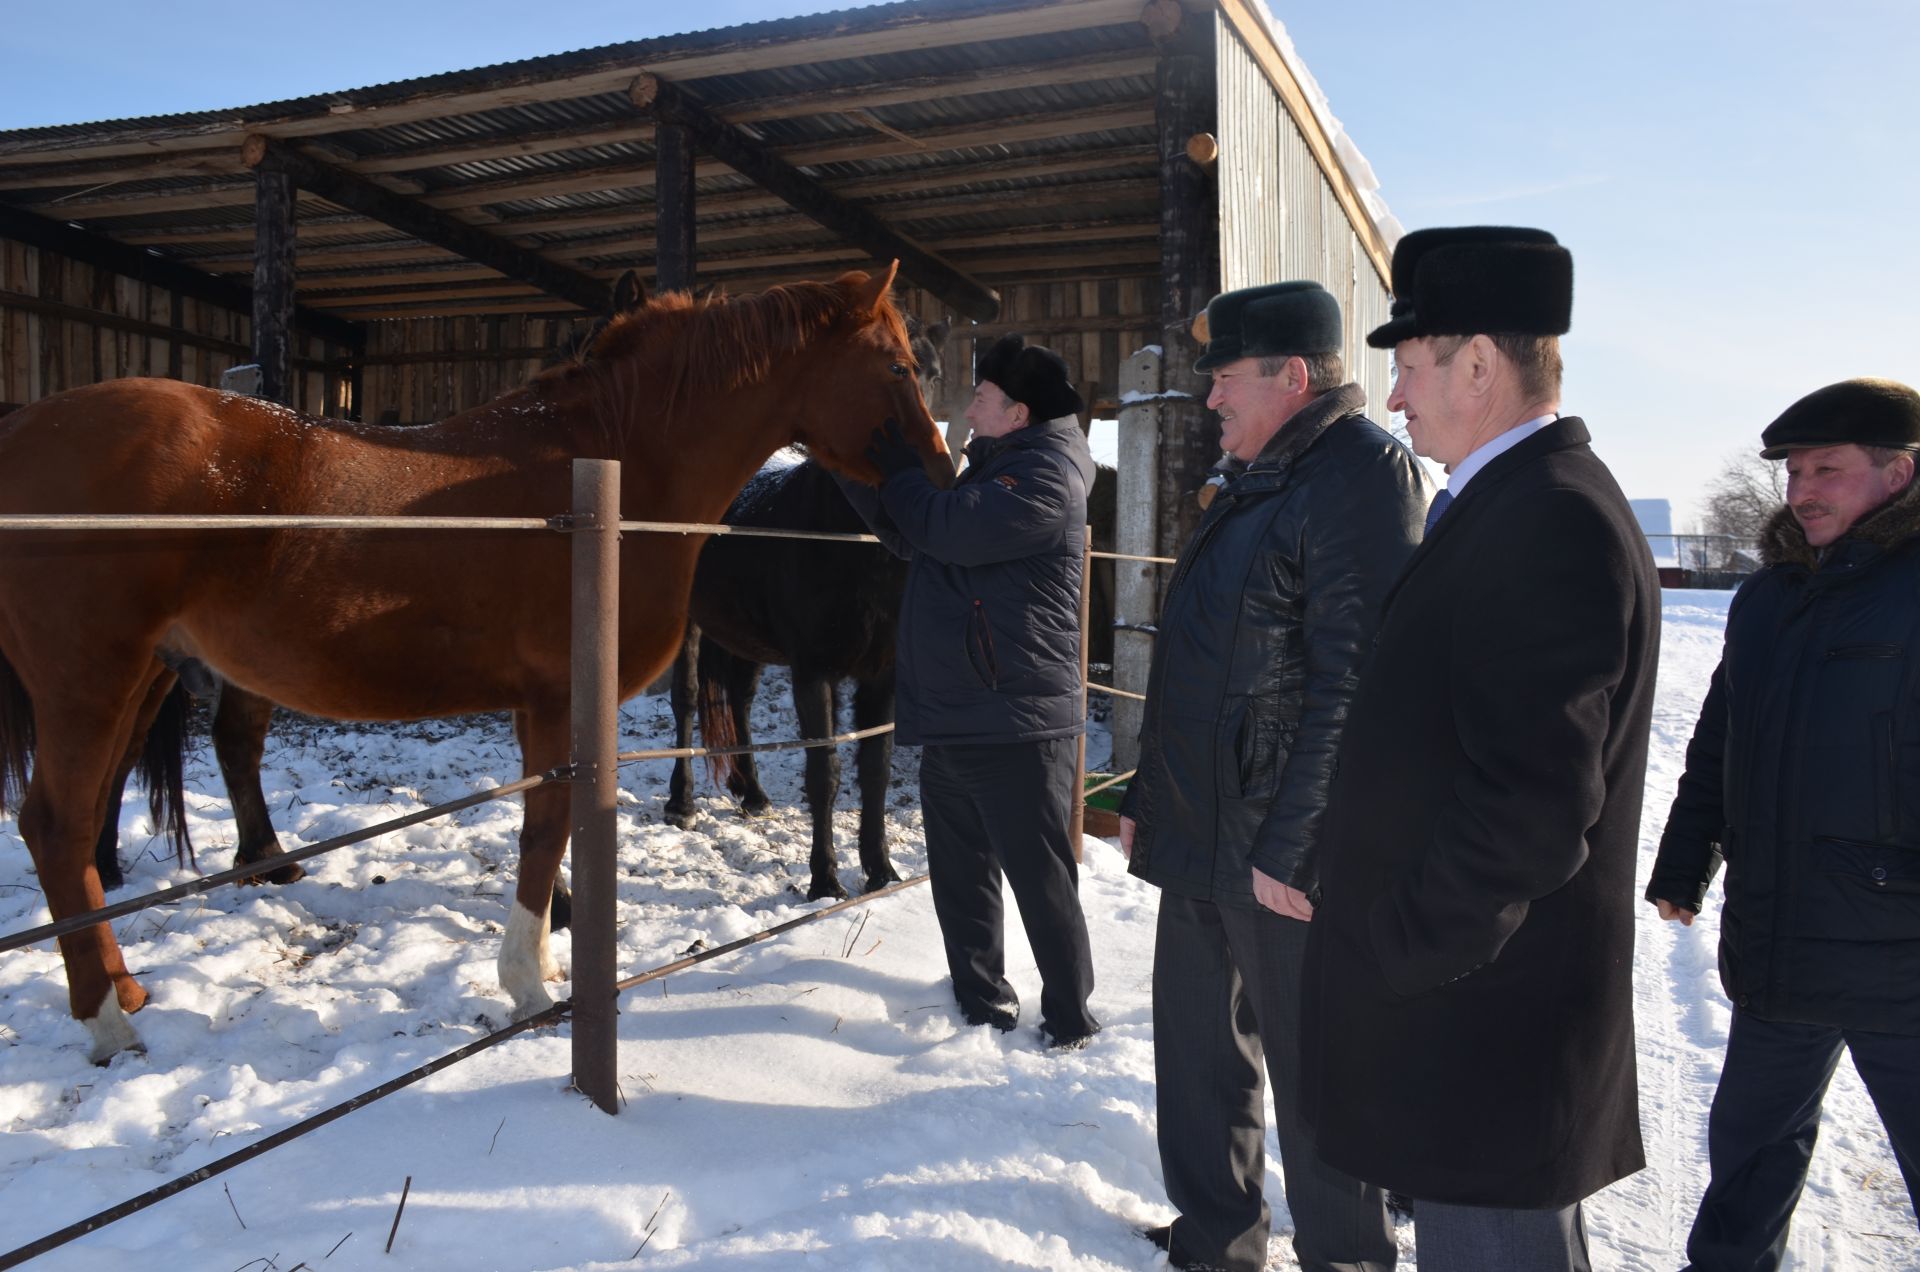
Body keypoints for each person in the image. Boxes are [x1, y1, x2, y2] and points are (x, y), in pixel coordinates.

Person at [1299, 226, 1661, 1272]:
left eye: (1408, 368)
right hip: (1468, 1014)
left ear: (1478, 364)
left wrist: (1400, 949)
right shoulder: (1508, 502)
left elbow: (1533, 804)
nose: (1397, 397)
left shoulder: (1551, 520)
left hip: (1481, 1029)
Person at [1118, 280, 1425, 1272]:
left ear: (1292, 377)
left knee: (1320, 1081)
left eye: (1224, 381)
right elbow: (1193, 667)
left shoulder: (1361, 477)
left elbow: (1361, 681)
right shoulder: (1255, 478)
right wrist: (1147, 801)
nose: (1210, 401)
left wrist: (1296, 848)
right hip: (1205, 836)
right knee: (1199, 1065)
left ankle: (1346, 1257)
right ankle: (1216, 1240)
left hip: (1286, 854)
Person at [1647, 378, 1920, 1272]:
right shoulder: (1768, 599)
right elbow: (1722, 740)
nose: (1802, 490)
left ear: (1901, 473)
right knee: (1748, 1167)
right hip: (1779, 944)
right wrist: (1686, 861)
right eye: (1795, 472)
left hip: (1900, 954)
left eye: (1828, 470)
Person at [847, 334, 1101, 1049]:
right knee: (960, 878)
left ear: (1017, 412)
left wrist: (901, 478)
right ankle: (979, 1002)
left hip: (1015, 718)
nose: (966, 410)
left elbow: (948, 529)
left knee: (1041, 879)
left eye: (981, 398)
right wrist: (852, 466)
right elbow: (916, 537)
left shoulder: (1047, 476)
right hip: (962, 711)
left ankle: (1070, 1017)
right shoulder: (996, 468)